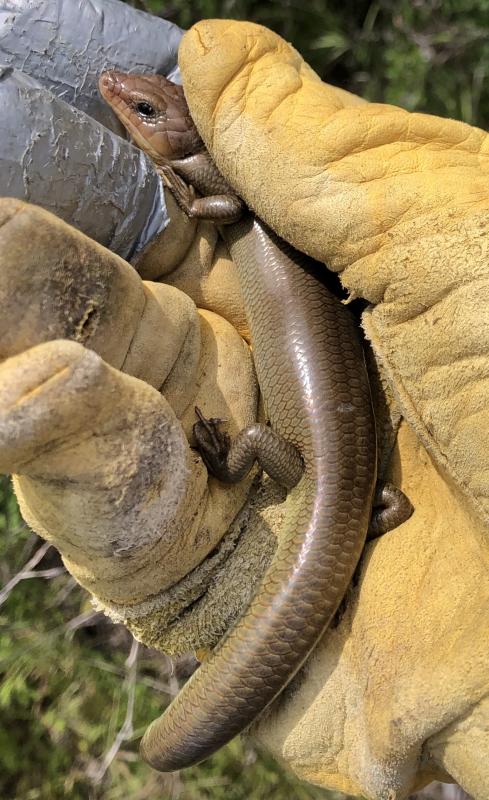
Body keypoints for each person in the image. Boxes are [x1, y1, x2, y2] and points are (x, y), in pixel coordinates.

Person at [0, 4, 487, 798]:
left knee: (299, 471)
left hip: (347, 490)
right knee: (281, 458)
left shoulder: (220, 185)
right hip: (317, 474)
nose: (123, 97)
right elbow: (222, 206)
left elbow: (224, 208)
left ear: (191, 142)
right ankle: (288, 490)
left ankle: (299, 494)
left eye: (146, 110)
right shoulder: (220, 180)